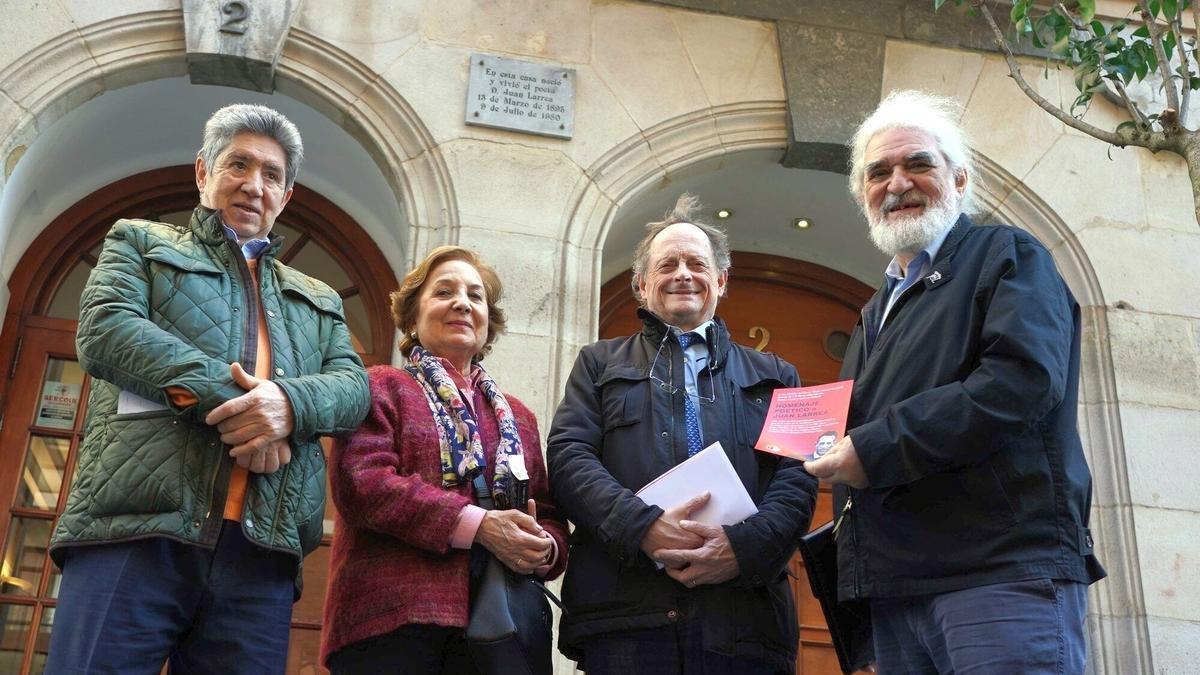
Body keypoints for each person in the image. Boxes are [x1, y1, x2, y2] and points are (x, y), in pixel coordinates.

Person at [45, 103, 371, 672]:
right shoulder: (141, 243)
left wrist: (288, 407)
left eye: (272, 175)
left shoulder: (319, 299)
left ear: (286, 196)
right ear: (203, 173)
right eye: (237, 165)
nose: (253, 185)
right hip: (134, 530)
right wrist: (243, 405)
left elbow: (353, 391)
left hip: (260, 553)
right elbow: (106, 329)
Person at [804, 90, 1107, 674]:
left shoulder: (1008, 256)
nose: (897, 183)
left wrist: (875, 447)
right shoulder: (874, 311)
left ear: (961, 179)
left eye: (918, 164)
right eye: (879, 173)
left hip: (998, 575)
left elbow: (1019, 382)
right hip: (896, 596)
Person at [547, 194, 818, 674]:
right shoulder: (597, 363)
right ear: (642, 284)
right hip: (626, 618)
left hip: (745, 621)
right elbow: (570, 457)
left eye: (697, 263)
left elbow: (799, 476)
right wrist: (642, 526)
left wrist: (743, 547)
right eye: (667, 264)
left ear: (721, 280)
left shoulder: (780, 374)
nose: (683, 273)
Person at [321, 246, 568, 674]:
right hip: (391, 622)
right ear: (412, 317)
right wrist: (480, 526)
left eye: (476, 296)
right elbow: (364, 484)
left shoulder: (519, 417)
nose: (462, 303)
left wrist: (544, 548)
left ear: (489, 323)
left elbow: (547, 512)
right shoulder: (381, 386)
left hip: (499, 629)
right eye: (444, 292)